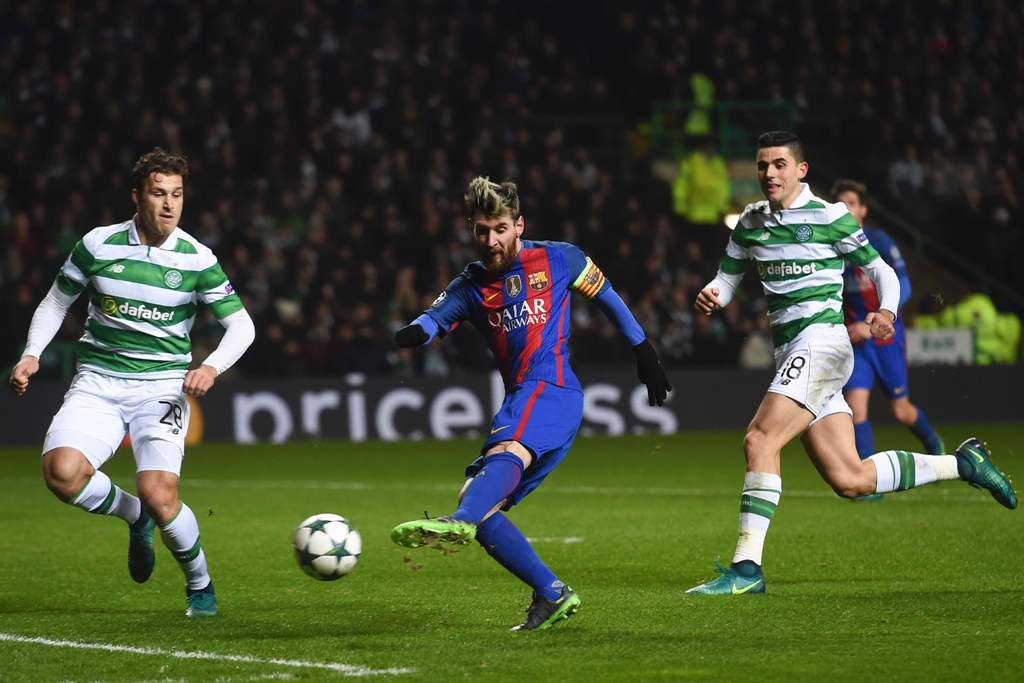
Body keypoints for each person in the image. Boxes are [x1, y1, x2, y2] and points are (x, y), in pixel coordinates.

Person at [687, 131, 1016, 596]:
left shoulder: (830, 216)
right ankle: (963, 464)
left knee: (760, 440)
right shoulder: (750, 221)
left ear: (801, 170)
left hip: (822, 344)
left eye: (779, 164)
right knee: (851, 478)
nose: (769, 173)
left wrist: (886, 311)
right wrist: (713, 295)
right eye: (763, 165)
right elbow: (727, 276)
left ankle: (746, 568)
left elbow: (881, 271)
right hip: (794, 352)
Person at [389, 176, 672, 630]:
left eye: (499, 228)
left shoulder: (560, 258)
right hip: (525, 399)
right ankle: (550, 592)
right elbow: (434, 317)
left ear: (519, 225)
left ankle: (458, 520)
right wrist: (413, 333)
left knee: (499, 466)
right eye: (481, 230)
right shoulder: (471, 285)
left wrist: (644, 352)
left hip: (552, 391)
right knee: (481, 503)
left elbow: (609, 298)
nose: (491, 240)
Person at [8, 148, 255, 616]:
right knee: (61, 474)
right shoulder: (98, 245)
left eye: (177, 195)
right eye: (159, 194)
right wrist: (31, 355)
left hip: (161, 387)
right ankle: (133, 516)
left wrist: (210, 366)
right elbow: (56, 302)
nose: (169, 205)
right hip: (98, 382)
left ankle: (199, 584)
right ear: (137, 196)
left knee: (160, 494)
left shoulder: (198, 259)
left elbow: (243, 326)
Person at [833, 179, 944, 474]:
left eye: (852, 204)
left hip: (884, 339)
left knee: (901, 411)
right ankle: (868, 479)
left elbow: (903, 284)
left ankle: (934, 446)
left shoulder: (878, 241)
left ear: (864, 210)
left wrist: (884, 315)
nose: (846, 209)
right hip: (856, 342)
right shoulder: (830, 248)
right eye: (841, 204)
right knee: (856, 410)